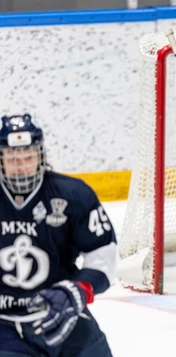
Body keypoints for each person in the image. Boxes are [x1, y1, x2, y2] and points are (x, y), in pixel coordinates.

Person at [0, 114, 116, 356]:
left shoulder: (73, 195)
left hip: (62, 313)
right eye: (12, 158)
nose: (21, 165)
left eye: (28, 156)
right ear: (1, 159)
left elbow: (102, 255)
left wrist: (77, 290)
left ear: (40, 155)